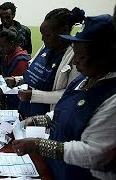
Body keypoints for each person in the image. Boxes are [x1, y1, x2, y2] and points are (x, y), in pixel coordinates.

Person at [12, 14, 116, 180]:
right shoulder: (83, 80)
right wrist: (39, 120)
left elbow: (95, 153)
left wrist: (39, 145)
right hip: (56, 169)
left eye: (81, 57)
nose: (75, 62)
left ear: (105, 56)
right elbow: (66, 108)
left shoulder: (111, 97)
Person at [0, 8, 84, 117]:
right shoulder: (46, 48)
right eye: (42, 34)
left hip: (46, 117)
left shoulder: (74, 56)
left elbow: (69, 94)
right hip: (26, 110)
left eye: (47, 35)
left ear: (64, 30)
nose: (42, 39)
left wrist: (34, 96)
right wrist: (16, 80)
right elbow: (33, 75)